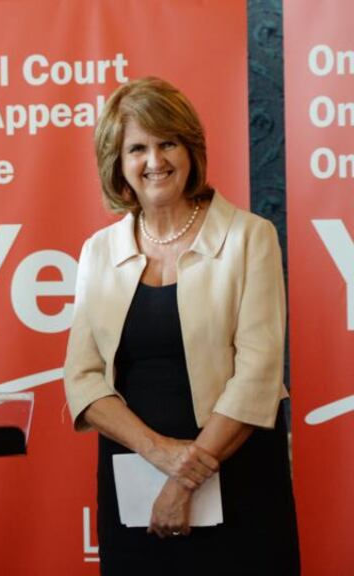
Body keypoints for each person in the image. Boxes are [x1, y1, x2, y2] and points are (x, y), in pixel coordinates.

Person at [63, 77, 299, 575]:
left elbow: (257, 374)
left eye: (167, 142)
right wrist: (162, 454)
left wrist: (184, 479)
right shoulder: (98, 252)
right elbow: (83, 379)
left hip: (239, 484)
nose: (155, 160)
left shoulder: (250, 237)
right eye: (138, 148)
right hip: (134, 489)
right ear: (118, 162)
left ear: (190, 148)